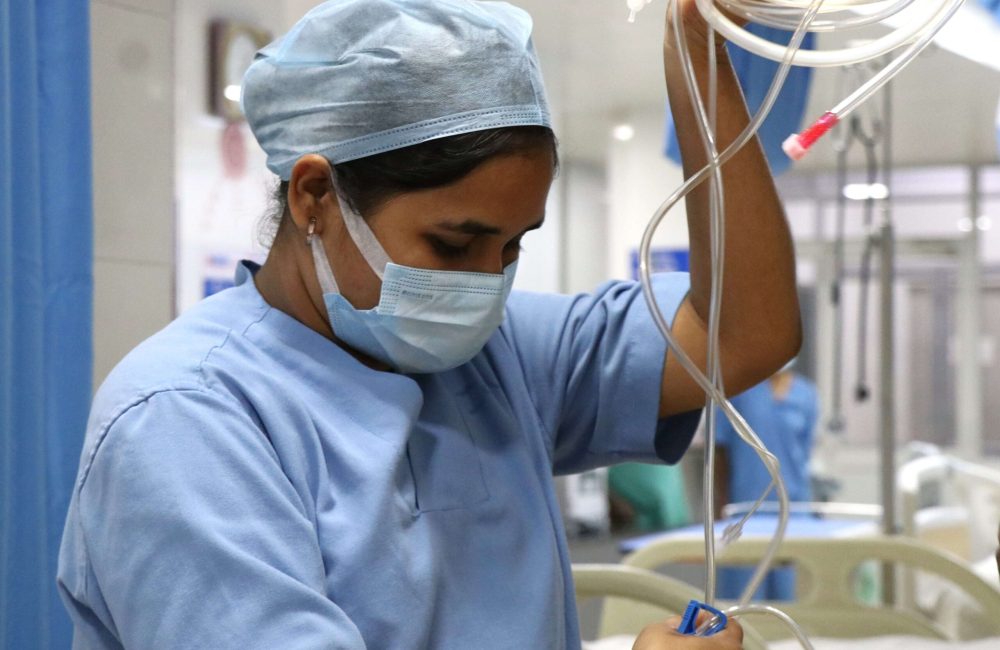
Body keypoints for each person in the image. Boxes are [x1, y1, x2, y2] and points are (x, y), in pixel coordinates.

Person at [57, 0, 800, 647]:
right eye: (453, 244)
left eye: (513, 246)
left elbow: (743, 335)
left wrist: (698, 61)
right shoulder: (189, 422)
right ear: (315, 196)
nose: (485, 282)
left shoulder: (496, 358)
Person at [713, 363, 819, 601]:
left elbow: (804, 453)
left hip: (794, 508)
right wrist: (720, 503)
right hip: (745, 508)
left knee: (788, 598)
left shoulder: (806, 395)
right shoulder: (738, 392)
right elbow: (720, 450)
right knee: (741, 599)